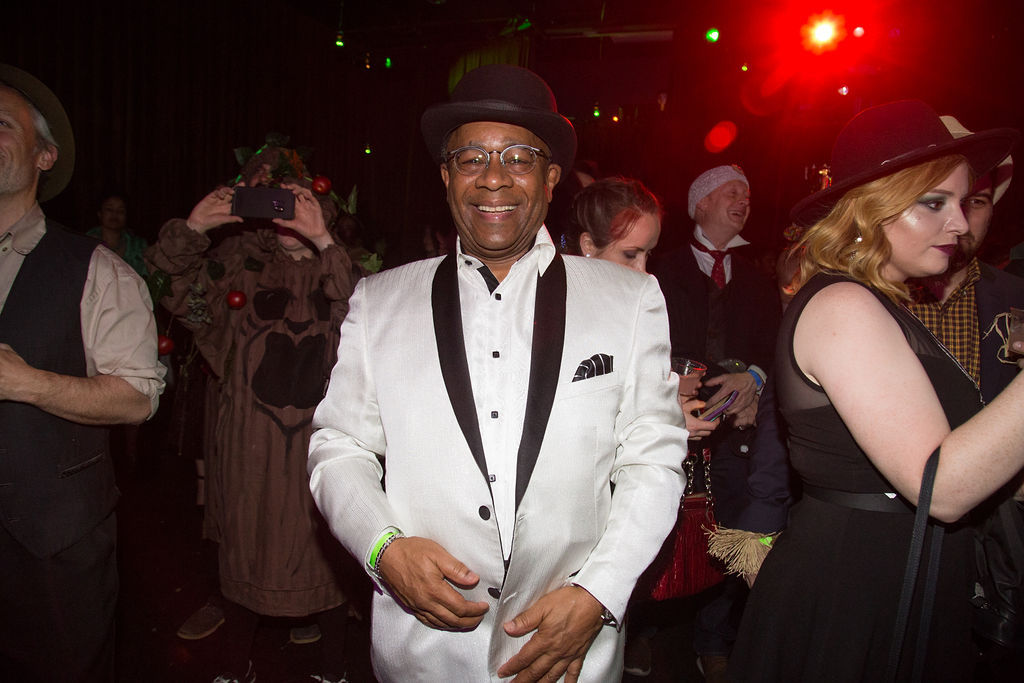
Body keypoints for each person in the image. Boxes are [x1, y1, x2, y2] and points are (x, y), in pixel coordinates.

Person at [308, 64, 686, 682]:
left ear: (550, 177)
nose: (493, 177)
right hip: (424, 654)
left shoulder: (629, 299)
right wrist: (383, 548)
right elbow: (338, 444)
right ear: (446, 176)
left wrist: (599, 591)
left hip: (569, 654)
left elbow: (654, 461)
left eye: (518, 157)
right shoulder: (380, 301)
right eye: (471, 158)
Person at [729, 99, 1022, 681]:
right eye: (935, 202)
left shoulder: (883, 305)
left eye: (963, 202)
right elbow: (943, 486)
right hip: (856, 589)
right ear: (871, 209)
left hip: (891, 573)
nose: (960, 224)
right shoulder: (844, 305)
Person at [145, 141, 356, 683]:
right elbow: (179, 297)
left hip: (317, 451)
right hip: (249, 450)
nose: (284, 211)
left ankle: (333, 671)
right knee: (245, 552)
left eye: (297, 200)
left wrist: (322, 240)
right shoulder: (243, 272)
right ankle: (237, 669)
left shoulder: (345, 275)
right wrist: (195, 227)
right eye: (275, 201)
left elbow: (366, 319)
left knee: (324, 560)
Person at [0, 64, 165, 682]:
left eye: (1, 123)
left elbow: (137, 398)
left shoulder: (96, 268)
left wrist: (25, 382)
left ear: (44, 156)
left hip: (48, 545)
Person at [651, 165, 781, 681]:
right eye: (732, 192)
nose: (744, 200)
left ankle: (711, 639)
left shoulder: (757, 279)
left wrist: (754, 377)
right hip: (667, 427)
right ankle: (641, 630)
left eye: (748, 193)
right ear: (701, 203)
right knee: (656, 527)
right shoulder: (659, 268)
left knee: (725, 534)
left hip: (735, 435)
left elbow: (775, 345)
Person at [87, 191, 148, 278]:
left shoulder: (139, 246)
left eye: (121, 211)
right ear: (100, 213)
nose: (115, 214)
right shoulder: (86, 242)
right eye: (109, 209)